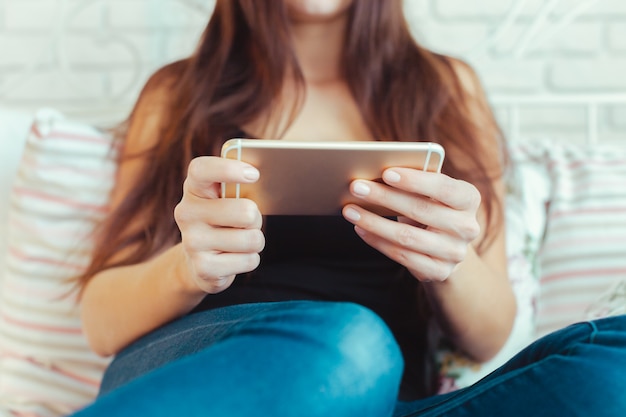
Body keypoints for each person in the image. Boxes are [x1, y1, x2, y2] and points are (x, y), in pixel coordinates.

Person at [71, 1, 626, 416]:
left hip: (390, 401)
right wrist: (186, 268)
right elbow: (100, 321)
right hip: (214, 371)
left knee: (612, 360)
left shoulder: (445, 88)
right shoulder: (178, 93)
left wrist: (449, 263)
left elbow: (488, 334)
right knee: (349, 345)